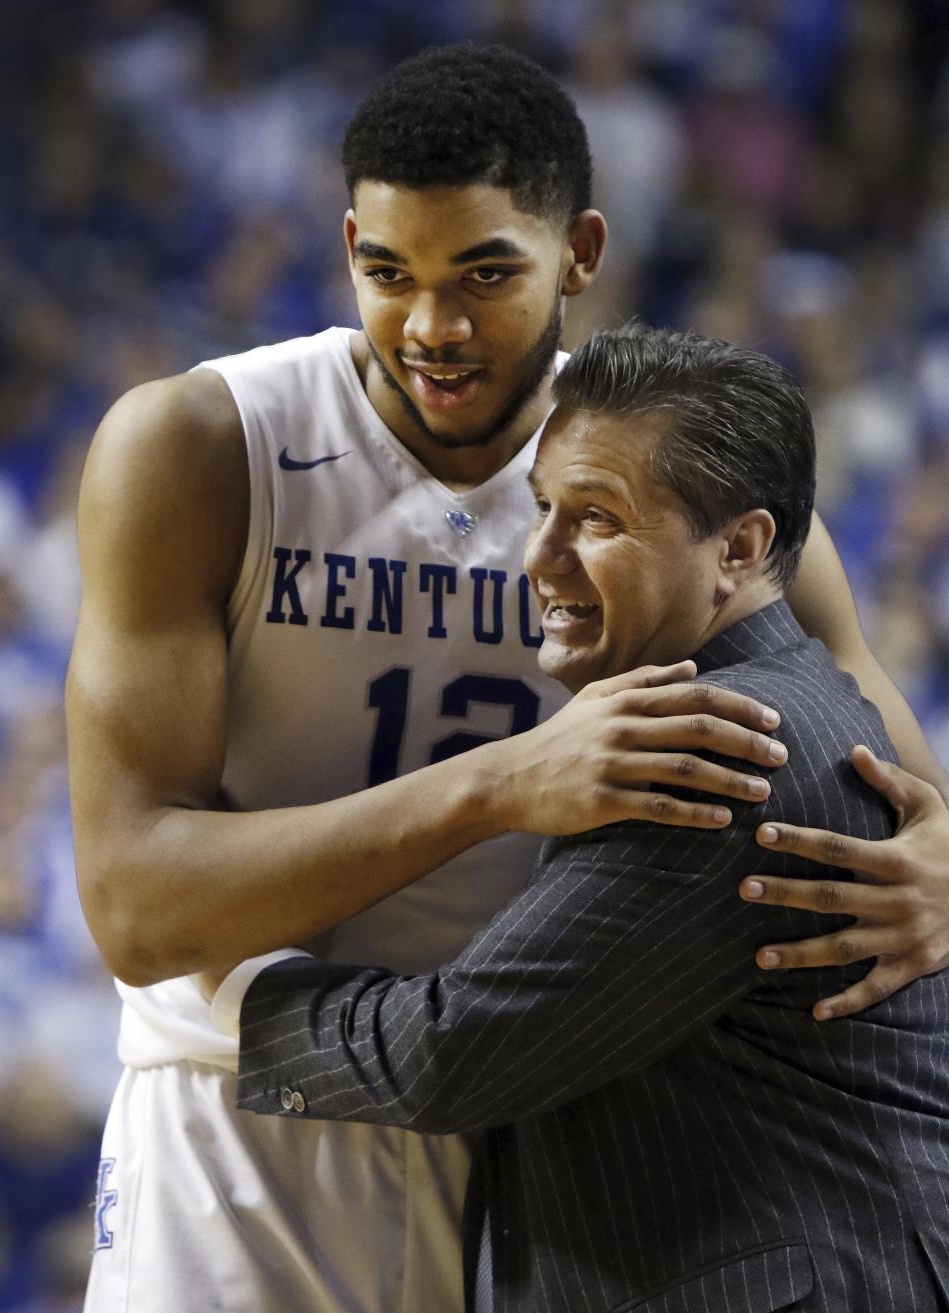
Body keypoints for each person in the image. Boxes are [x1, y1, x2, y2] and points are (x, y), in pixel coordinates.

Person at [67, 43, 949, 1313]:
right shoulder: (205, 443)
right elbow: (135, 909)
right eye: (388, 274)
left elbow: (885, 771)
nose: (433, 327)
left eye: (484, 274)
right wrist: (501, 783)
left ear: (580, 255)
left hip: (540, 1137)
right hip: (247, 1113)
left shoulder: (676, 483)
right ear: (349, 245)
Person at [229, 323, 949, 1312]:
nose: (539, 556)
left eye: (596, 518)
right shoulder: (784, 700)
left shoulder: (721, 747)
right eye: (541, 508)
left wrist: (226, 991)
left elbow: (449, 1053)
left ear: (738, 548)